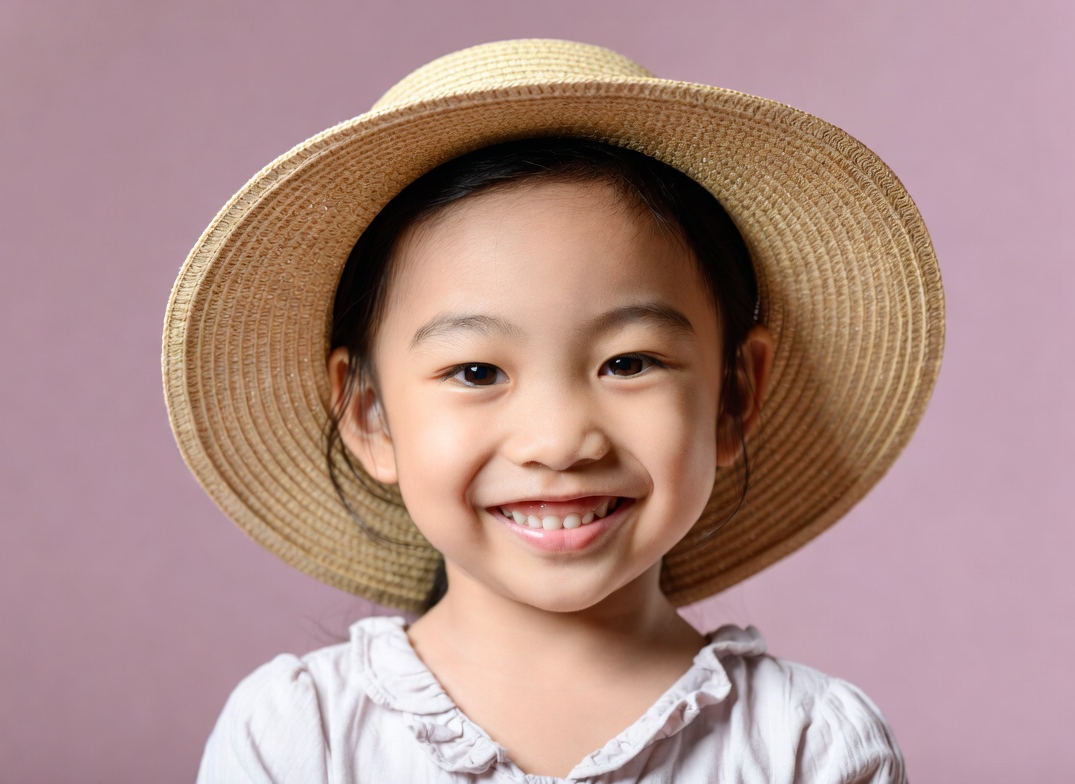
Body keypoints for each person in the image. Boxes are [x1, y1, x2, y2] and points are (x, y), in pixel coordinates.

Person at [164, 39, 943, 783]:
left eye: (628, 362)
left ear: (734, 396)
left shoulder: (808, 747)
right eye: (476, 370)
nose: (559, 440)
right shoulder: (302, 738)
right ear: (369, 415)